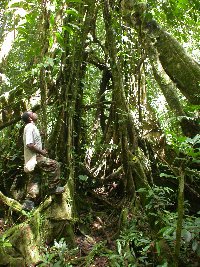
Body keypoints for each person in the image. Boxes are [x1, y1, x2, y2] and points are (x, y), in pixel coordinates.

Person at [21, 111, 64, 210]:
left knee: (35, 178)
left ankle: (28, 202)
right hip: (35, 157)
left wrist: (40, 134)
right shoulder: (30, 127)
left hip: (32, 159)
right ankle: (53, 188)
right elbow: (29, 144)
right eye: (32, 113)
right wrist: (42, 152)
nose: (34, 112)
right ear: (30, 118)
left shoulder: (30, 127)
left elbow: (31, 139)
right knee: (55, 165)